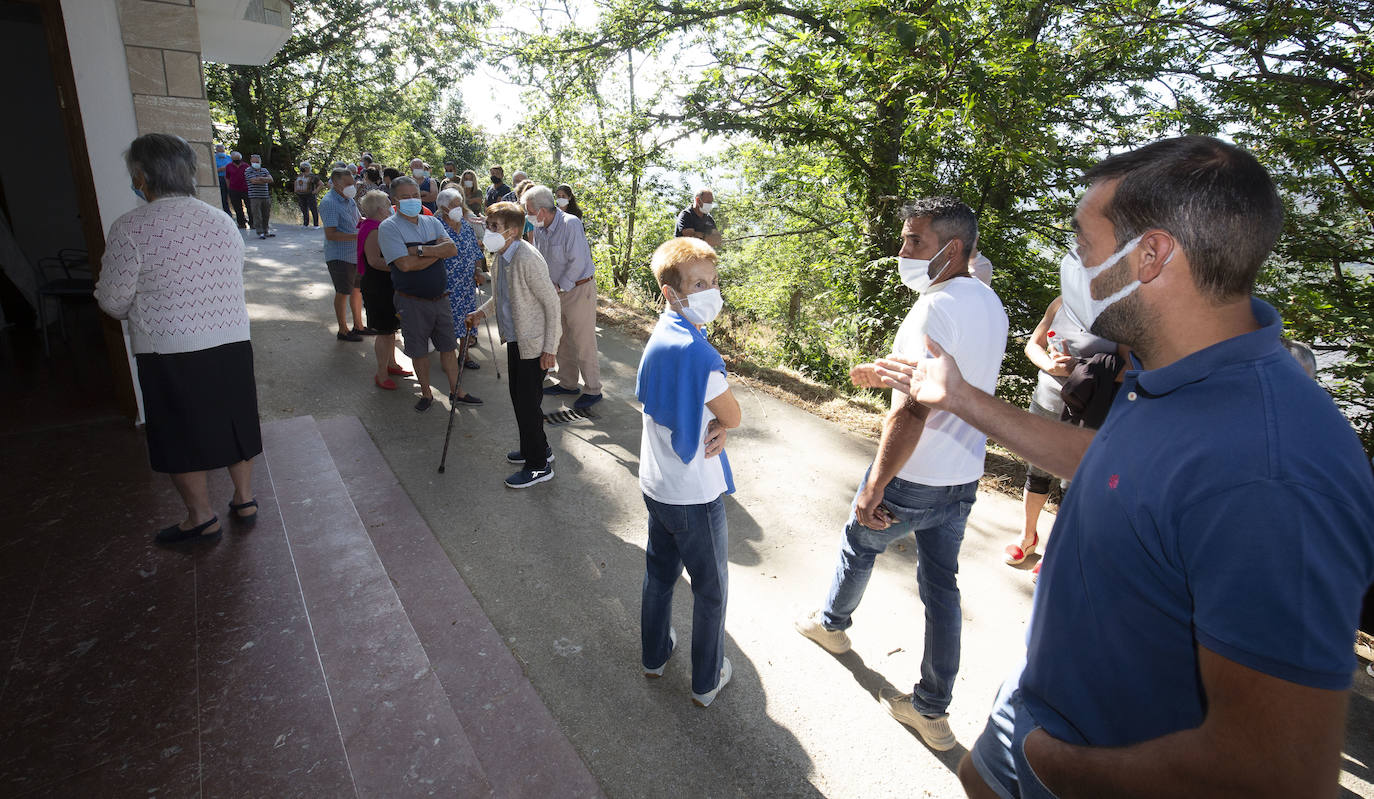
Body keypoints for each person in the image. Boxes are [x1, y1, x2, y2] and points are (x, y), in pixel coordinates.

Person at [870, 136, 1374, 799]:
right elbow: (1116, 464)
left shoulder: (1274, 470)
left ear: (1150, 256)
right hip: (1039, 719)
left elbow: (1271, 773)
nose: (1072, 265)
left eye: (1083, 246)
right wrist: (964, 399)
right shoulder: (1172, 375)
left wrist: (1049, 762)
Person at [794, 197, 1008, 752]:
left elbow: (912, 410)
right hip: (961, 478)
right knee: (942, 589)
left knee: (858, 541)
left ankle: (832, 627)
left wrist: (874, 485)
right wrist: (876, 374)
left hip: (914, 474)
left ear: (952, 249)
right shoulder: (990, 303)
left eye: (915, 241)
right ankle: (932, 713)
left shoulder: (934, 309)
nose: (903, 250)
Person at [95, 133, 262, 544]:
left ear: (141, 175)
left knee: (180, 430)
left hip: (172, 349)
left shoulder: (131, 227)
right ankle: (244, 499)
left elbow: (113, 301)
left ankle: (200, 518)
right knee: (235, 421)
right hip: (231, 340)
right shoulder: (221, 220)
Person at [637, 236, 742, 707]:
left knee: (659, 575)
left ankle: (654, 656)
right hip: (693, 495)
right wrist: (722, 420)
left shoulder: (662, 335)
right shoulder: (701, 354)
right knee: (711, 590)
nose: (711, 291)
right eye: (698, 283)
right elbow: (733, 414)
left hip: (656, 485)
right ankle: (706, 680)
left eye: (714, 281)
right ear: (670, 292)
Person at [1002, 295, 1123, 569]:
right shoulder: (1061, 302)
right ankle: (1027, 537)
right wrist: (1050, 365)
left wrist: (1079, 368)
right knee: (1038, 468)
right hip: (1047, 399)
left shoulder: (1122, 310)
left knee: (1072, 480)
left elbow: (1130, 368)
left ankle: (1056, 552)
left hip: (1089, 408)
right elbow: (1033, 345)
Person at [465, 202, 561, 489]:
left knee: (527, 403)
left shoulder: (527, 259)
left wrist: (550, 348)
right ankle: (539, 448)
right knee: (522, 400)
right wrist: (481, 312)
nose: (488, 231)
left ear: (514, 231)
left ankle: (538, 467)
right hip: (516, 339)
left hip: (534, 345)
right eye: (488, 225)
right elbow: (503, 298)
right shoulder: (501, 256)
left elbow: (552, 304)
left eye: (494, 227)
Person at [377, 177, 462, 413]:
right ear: (394, 200)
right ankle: (426, 393)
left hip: (440, 297)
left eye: (415, 194)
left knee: (448, 347)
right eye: (405, 197)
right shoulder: (388, 227)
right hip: (411, 301)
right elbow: (405, 265)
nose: (413, 200)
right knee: (418, 350)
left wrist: (421, 250)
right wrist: (437, 251)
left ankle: (457, 391)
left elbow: (452, 249)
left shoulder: (430, 221)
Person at [526, 185, 603, 409]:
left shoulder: (571, 224)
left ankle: (593, 389)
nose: (528, 215)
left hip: (578, 290)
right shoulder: (539, 227)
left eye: (530, 210)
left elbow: (578, 262)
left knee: (583, 340)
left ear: (542, 210)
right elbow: (539, 258)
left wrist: (559, 287)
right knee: (560, 339)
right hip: (554, 291)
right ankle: (567, 382)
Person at [356, 190, 411, 390]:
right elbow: (374, 260)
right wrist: (400, 264)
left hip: (385, 284)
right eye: (388, 204)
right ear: (380, 209)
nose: (391, 207)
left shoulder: (375, 226)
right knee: (384, 331)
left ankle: (392, 364)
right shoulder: (374, 229)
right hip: (377, 285)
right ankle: (381, 373)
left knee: (390, 330)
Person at [435, 187, 484, 396]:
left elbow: (475, 251)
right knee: (448, 323)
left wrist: (479, 269)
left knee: (468, 319)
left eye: (459, 204)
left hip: (466, 283)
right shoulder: (436, 226)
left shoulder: (465, 225)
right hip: (446, 284)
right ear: (444, 207)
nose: (459, 209)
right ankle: (448, 357)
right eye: (455, 205)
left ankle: (465, 356)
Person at [320, 166, 370, 341]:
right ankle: (343, 330)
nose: (352, 187)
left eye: (353, 183)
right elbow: (331, 234)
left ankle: (358, 326)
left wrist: (369, 222)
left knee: (357, 290)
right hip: (339, 256)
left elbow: (357, 220)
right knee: (343, 291)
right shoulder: (329, 203)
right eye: (347, 183)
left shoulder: (349, 200)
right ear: (335, 183)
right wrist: (358, 235)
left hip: (355, 253)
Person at [244, 154, 274, 239]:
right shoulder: (248, 170)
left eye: (257, 162)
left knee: (266, 214)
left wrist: (260, 178)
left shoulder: (264, 170)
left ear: (260, 162)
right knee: (257, 215)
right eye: (254, 161)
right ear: (251, 161)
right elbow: (253, 181)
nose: (256, 163)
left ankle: (266, 231)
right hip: (254, 196)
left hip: (265, 195)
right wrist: (264, 179)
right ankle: (260, 232)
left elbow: (271, 180)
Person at [224, 150, 252, 229]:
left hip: (246, 189)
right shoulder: (229, 166)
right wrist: (229, 188)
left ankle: (252, 223)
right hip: (234, 189)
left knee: (249, 206)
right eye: (235, 159)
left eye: (238, 159)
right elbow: (227, 178)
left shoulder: (246, 166)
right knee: (237, 207)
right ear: (232, 159)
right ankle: (241, 223)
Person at [293, 161, 323, 228]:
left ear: (307, 168)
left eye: (303, 167)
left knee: (313, 209)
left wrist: (316, 191)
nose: (301, 168)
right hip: (301, 195)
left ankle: (316, 225)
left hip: (310, 195)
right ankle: (305, 224)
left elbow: (321, 184)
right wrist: (295, 190)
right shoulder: (299, 175)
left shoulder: (312, 176)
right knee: (304, 209)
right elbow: (295, 182)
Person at [214, 143, 232, 216]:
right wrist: (220, 169)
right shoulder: (214, 158)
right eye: (220, 151)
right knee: (223, 196)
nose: (222, 153)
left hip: (230, 178)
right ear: (216, 151)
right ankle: (226, 212)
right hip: (220, 178)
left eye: (223, 151)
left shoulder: (229, 158)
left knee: (232, 195)